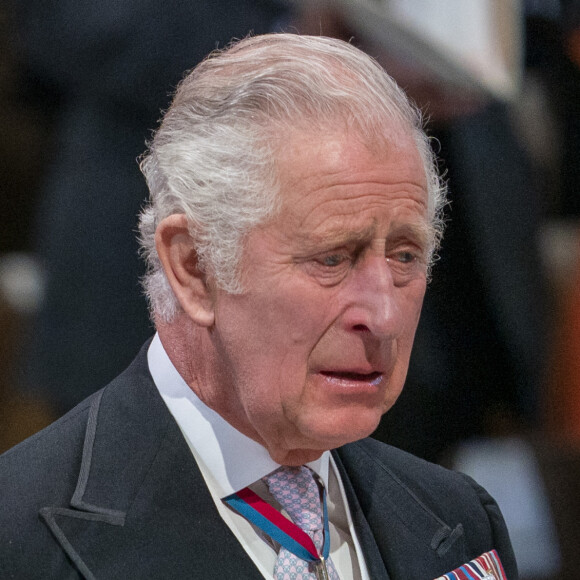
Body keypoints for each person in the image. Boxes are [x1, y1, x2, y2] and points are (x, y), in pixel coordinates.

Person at [0, 34, 518, 579]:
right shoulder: (21, 541)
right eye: (332, 259)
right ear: (195, 267)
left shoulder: (460, 518)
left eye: (405, 255)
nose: (384, 316)